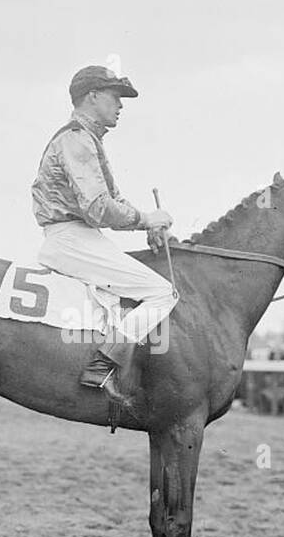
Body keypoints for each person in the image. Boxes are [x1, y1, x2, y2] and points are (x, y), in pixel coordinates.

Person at [32, 65, 177, 403]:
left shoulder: (88, 139)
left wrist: (150, 225)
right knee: (163, 292)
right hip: (70, 238)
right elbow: (99, 208)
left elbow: (112, 200)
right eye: (115, 97)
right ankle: (103, 364)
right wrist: (146, 218)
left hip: (79, 236)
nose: (121, 106)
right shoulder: (76, 139)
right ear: (92, 97)